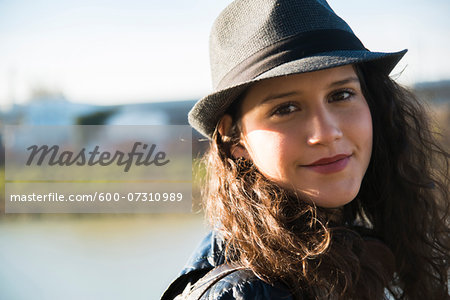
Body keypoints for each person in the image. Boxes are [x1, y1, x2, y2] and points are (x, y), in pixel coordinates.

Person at [161, 0, 450, 299]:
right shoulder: (247, 293)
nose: (327, 133)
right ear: (235, 139)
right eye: (286, 108)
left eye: (341, 94)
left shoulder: (365, 250)